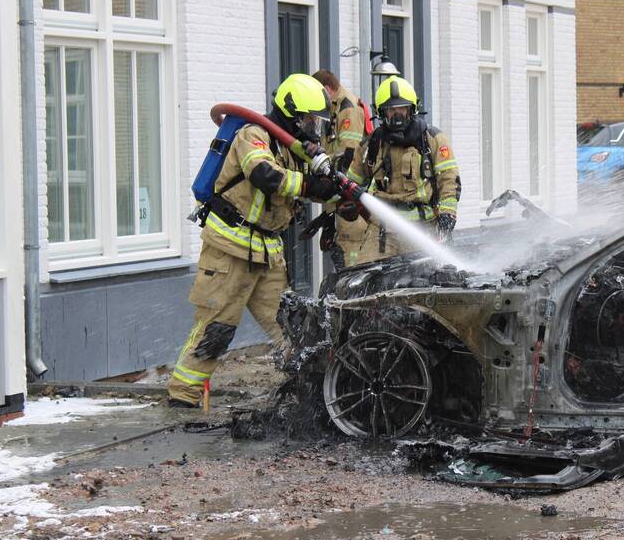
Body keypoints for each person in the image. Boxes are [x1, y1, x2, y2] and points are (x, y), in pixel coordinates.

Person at [167, 73, 338, 408]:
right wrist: (308, 186)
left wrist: (331, 181)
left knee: (292, 325)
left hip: (267, 252)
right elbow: (265, 175)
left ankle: (312, 391)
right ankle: (183, 399)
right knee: (216, 328)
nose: (313, 127)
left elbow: (300, 180)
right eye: (309, 119)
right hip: (230, 246)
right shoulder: (253, 135)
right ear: (292, 113)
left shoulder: (291, 148)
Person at [346, 75, 460, 264]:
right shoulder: (371, 144)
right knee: (365, 277)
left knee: (424, 283)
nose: (397, 113)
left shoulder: (432, 139)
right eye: (391, 109)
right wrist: (345, 203)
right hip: (382, 231)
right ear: (381, 112)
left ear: (412, 109)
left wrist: (447, 216)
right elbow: (352, 182)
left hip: (423, 230)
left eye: (402, 108)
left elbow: (449, 180)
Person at [311, 69, 370, 270]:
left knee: (351, 259)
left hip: (351, 202)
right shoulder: (332, 109)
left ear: (327, 90)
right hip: (339, 201)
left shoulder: (348, 108)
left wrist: (322, 184)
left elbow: (347, 158)